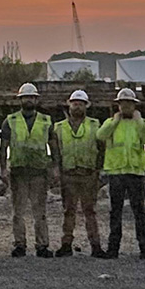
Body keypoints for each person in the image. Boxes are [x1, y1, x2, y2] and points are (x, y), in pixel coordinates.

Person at [97, 88, 145, 259]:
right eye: (123, 104)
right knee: (115, 212)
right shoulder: (110, 123)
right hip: (117, 173)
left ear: (134, 105)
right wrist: (114, 122)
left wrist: (138, 122)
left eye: (129, 103)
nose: (126, 107)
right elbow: (100, 135)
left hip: (136, 173)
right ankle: (113, 248)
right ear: (118, 105)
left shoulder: (144, 123)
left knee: (139, 211)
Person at [0, 83, 54, 258]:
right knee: (18, 212)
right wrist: (2, 168)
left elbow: (54, 146)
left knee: (40, 212)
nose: (28, 100)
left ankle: (42, 245)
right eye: (25, 97)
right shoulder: (10, 120)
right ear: (20, 99)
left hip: (39, 171)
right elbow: (4, 146)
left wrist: (55, 168)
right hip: (18, 171)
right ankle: (20, 244)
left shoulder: (46, 121)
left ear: (36, 99)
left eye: (31, 97)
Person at [50, 89, 104, 258]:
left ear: (86, 106)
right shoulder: (58, 127)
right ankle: (66, 244)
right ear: (69, 104)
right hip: (69, 173)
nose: (77, 107)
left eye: (80, 104)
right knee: (69, 210)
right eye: (75, 103)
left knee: (90, 211)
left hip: (88, 173)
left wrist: (98, 169)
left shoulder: (96, 125)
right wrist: (56, 169)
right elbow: (55, 151)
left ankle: (95, 245)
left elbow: (102, 149)